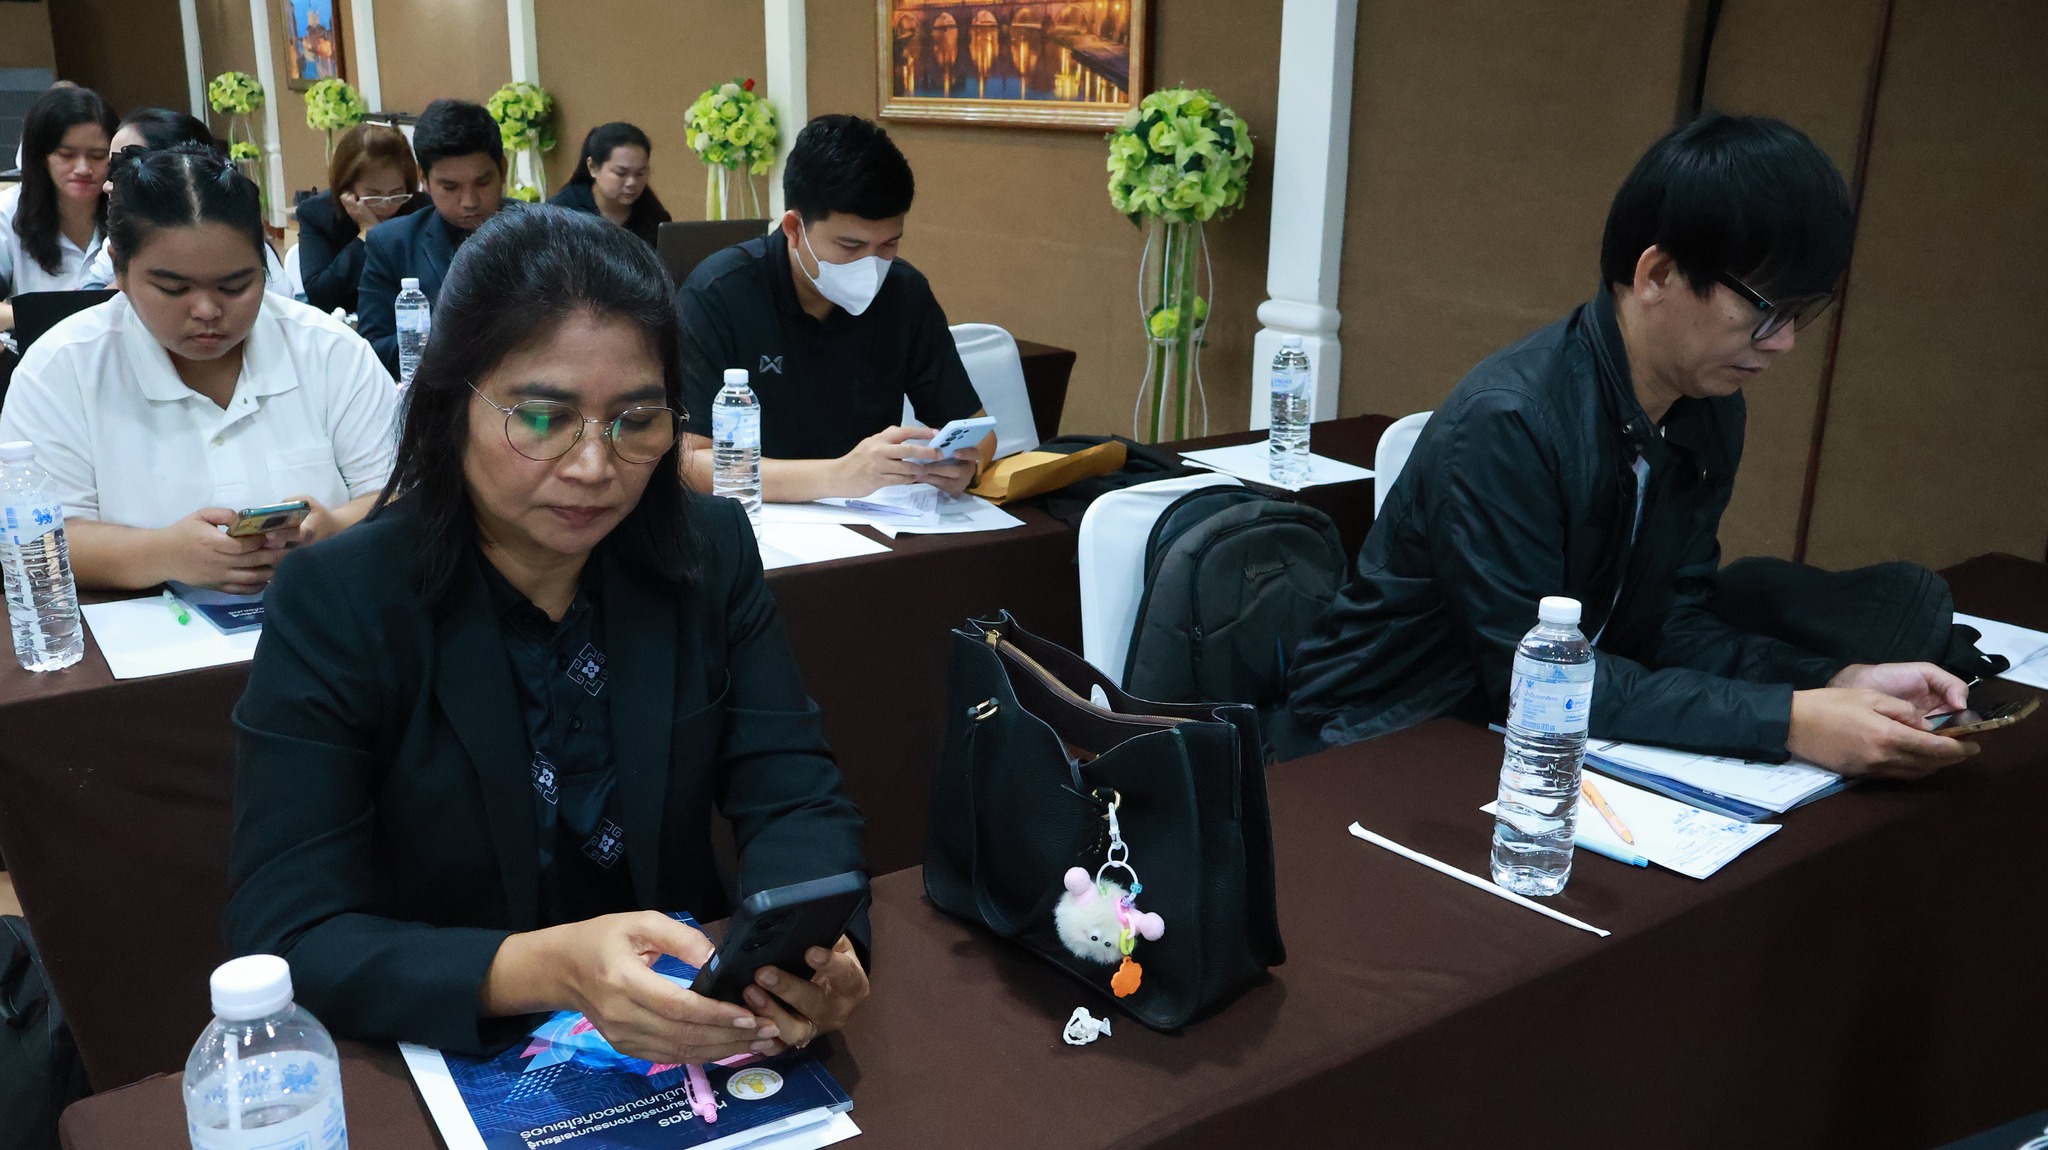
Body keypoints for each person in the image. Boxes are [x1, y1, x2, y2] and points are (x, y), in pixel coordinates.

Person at [225, 206, 870, 1061]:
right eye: (541, 418)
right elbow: (289, 932)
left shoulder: (706, 553)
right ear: (452, 403)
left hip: (683, 1025)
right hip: (449, 1043)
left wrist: (811, 954)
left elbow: (793, 796)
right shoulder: (341, 598)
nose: (594, 467)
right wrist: (547, 970)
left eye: (637, 421)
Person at [1273, 114, 1978, 780]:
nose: (1784, 342)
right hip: (1377, 739)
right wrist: (1788, 720)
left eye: (1800, 313)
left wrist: (1834, 681)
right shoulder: (1510, 422)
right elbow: (1534, 678)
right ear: (1657, 275)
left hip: (1530, 735)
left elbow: (1674, 627)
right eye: (1765, 310)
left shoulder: (1705, 409)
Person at [0, 144, 397, 594]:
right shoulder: (64, 366)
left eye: (236, 286)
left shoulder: (327, 349)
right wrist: (163, 554)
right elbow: (34, 539)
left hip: (322, 616)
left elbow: (403, 495)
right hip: (141, 630)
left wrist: (334, 529)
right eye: (173, 288)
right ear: (120, 271)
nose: (207, 310)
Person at [675, 114, 989, 503]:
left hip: (877, 518)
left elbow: (977, 431)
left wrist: (964, 466)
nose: (871, 265)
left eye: (889, 244)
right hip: (755, 518)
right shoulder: (719, 293)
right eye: (850, 246)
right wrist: (836, 476)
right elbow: (689, 462)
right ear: (794, 229)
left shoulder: (904, 292)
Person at [358, 98, 512, 375]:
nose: (469, 201)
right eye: (450, 187)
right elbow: (373, 349)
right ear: (424, 180)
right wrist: (453, 338)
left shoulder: (545, 231)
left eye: (483, 182)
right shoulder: (393, 244)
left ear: (503, 170)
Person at [78, 107, 293, 297]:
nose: (108, 186)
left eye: (125, 168)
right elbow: (88, 297)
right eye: (112, 169)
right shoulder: (121, 238)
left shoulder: (233, 237)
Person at [0, 86, 116, 334]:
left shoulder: (129, 210)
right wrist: (54, 312)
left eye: (98, 156)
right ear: (42, 157)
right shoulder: (7, 211)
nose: (83, 168)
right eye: (66, 155)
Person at [295, 122, 424, 315]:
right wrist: (368, 234)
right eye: (373, 195)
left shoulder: (420, 209)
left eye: (396, 193)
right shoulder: (317, 213)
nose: (385, 205)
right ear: (347, 187)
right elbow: (320, 296)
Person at [550, 121, 670, 246]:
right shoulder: (561, 214)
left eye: (640, 173)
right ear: (592, 167)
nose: (632, 182)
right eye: (621, 173)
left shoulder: (654, 216)